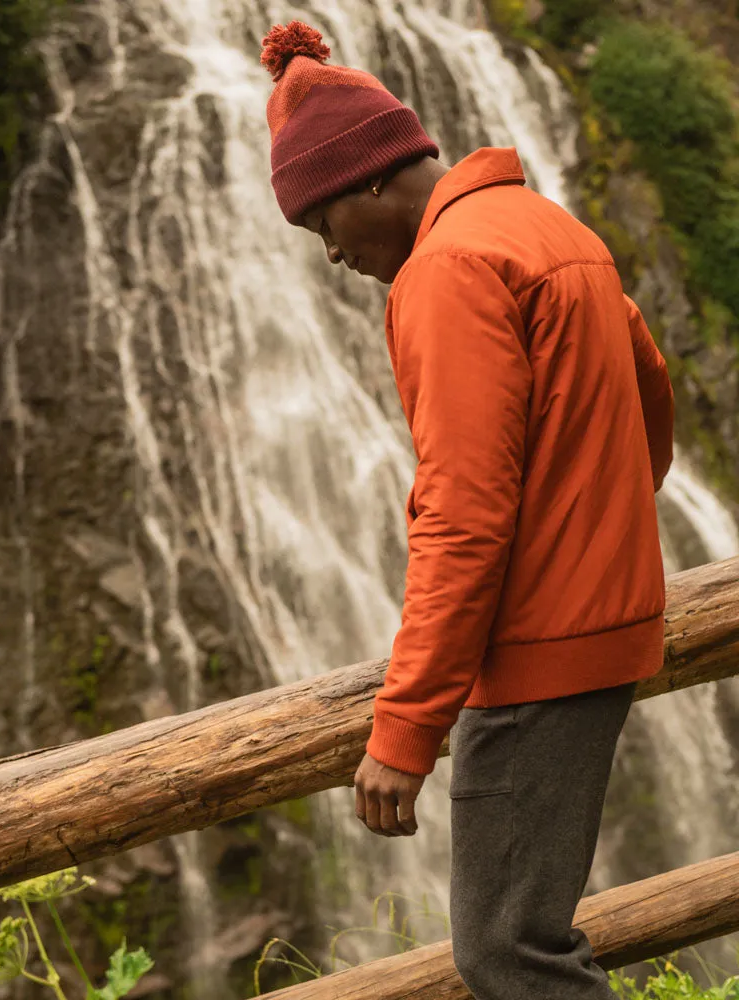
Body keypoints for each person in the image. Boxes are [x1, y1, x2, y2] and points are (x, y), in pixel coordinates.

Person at [260, 19, 674, 1000]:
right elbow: (647, 402)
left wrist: (402, 731)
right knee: (522, 937)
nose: (330, 256)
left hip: (534, 648)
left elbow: (461, 513)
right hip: (606, 622)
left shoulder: (444, 269)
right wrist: (596, 524)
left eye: (322, 225)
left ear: (367, 180)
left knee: (505, 951)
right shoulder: (544, 226)